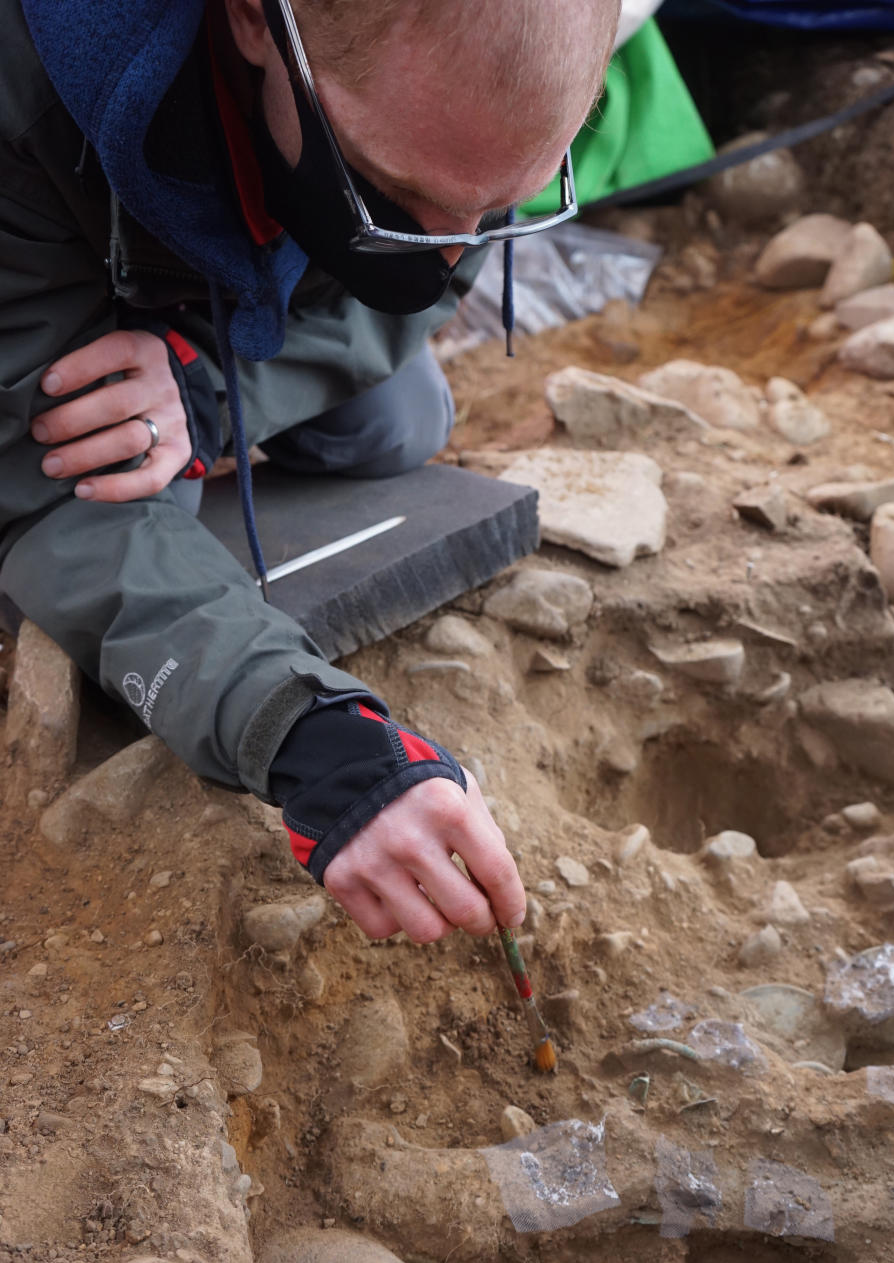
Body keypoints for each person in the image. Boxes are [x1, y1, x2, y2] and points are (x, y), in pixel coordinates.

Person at [0, 0, 619, 944]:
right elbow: (42, 494)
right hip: (55, 277)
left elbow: (432, 279)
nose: (454, 247)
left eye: (492, 205)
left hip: (226, 274)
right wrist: (306, 736)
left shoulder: (444, 112)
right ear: (256, 20)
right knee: (99, 472)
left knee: (399, 422)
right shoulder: (25, 96)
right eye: (392, 186)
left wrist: (203, 383)